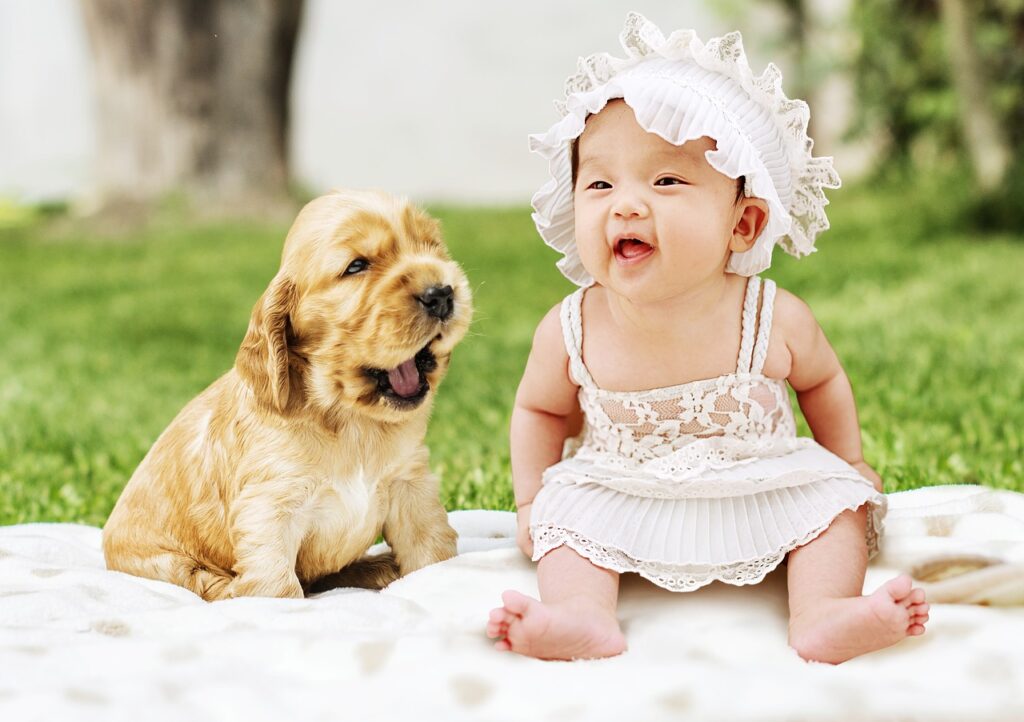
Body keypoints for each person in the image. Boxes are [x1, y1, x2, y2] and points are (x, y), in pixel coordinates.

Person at [485, 14, 929, 664]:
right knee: (566, 515)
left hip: (760, 477)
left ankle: (823, 612)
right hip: (621, 487)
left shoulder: (771, 316)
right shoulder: (572, 326)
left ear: (743, 225)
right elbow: (539, 409)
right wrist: (531, 500)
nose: (626, 205)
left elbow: (822, 382)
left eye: (666, 181)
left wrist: (850, 458)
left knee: (835, 506)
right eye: (600, 183)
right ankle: (582, 615)